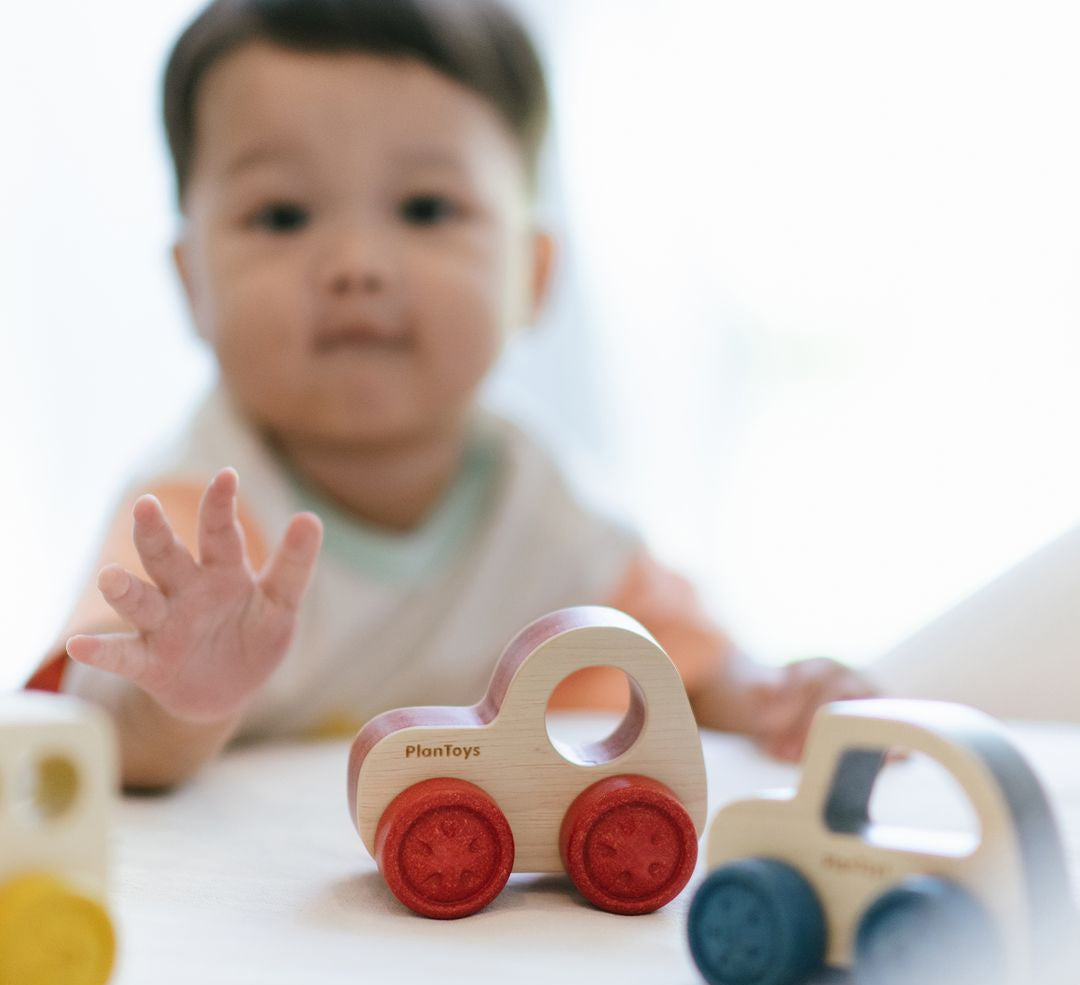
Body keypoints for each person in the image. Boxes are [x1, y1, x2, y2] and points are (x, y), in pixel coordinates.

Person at [29, 0, 871, 789]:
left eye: (427, 208)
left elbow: (692, 674)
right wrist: (177, 695)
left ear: (532, 273)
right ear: (192, 284)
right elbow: (90, 728)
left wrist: (785, 700)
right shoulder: (197, 522)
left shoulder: (548, 514)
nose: (357, 265)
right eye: (283, 216)